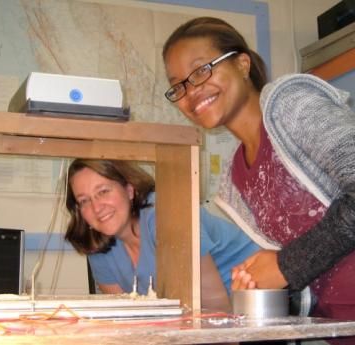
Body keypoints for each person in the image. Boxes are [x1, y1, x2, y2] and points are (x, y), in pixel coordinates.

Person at [162, 16, 355, 345]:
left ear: (241, 63)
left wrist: (282, 266)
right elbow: (306, 268)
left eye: (201, 71)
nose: (190, 92)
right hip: (337, 330)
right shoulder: (234, 180)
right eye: (178, 85)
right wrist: (260, 284)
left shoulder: (289, 105)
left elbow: (292, 262)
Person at [64, 158, 260, 312]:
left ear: (129, 189)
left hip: (264, 297)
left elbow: (214, 311)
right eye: (84, 201)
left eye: (103, 191)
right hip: (210, 317)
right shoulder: (97, 245)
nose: (97, 207)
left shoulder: (166, 214)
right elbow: (125, 316)